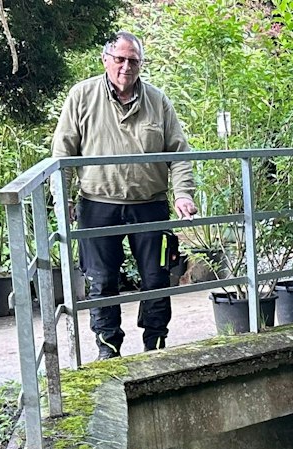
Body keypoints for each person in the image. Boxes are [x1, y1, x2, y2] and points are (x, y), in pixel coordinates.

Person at [52, 32, 199, 358]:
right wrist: (61, 202)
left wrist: (183, 195)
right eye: (120, 59)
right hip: (97, 205)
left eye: (133, 60)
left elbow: (179, 152)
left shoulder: (158, 101)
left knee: (157, 279)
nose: (126, 66)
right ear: (106, 60)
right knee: (101, 282)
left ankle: (155, 347)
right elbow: (61, 156)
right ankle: (107, 351)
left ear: (140, 63)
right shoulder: (82, 96)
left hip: (150, 206)